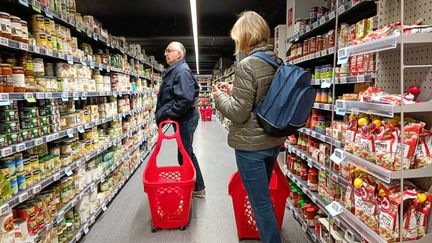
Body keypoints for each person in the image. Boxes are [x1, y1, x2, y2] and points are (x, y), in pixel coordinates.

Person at [211, 11, 286, 243]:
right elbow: (262, 99)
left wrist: (219, 98)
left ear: (245, 36)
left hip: (251, 146)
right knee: (264, 197)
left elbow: (238, 113)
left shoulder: (247, 64)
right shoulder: (275, 60)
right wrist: (234, 91)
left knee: (260, 201)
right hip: (272, 140)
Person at [155, 41, 206, 198]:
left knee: (184, 153)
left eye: (169, 51)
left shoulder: (181, 71)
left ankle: (196, 187)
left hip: (185, 118)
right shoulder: (176, 70)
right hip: (183, 117)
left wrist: (168, 113)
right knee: (185, 152)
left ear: (178, 54)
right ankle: (197, 186)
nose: (165, 54)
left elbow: (184, 99)